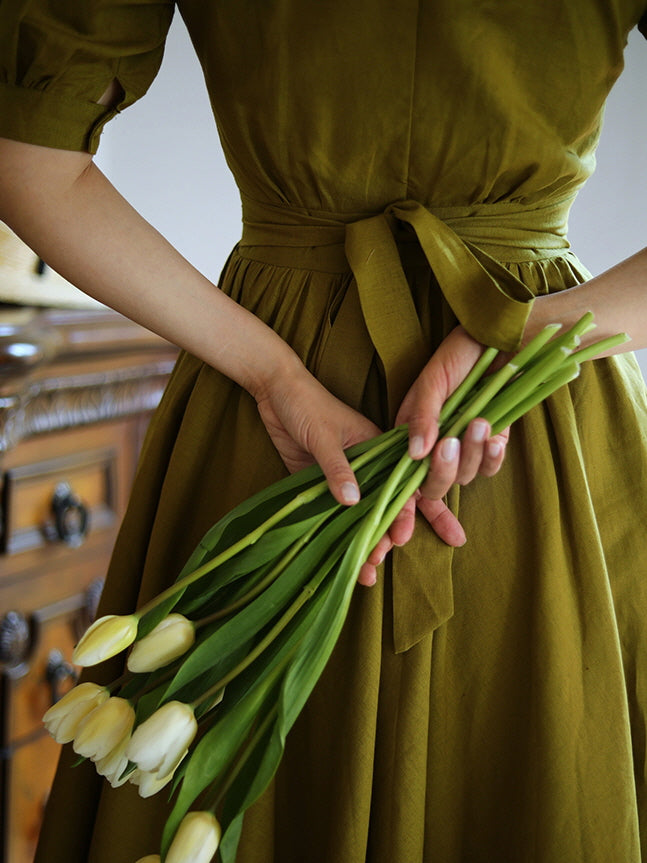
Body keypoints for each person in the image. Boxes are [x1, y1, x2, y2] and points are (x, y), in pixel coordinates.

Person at [1, 2, 647, 861]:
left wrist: (273, 374)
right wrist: (531, 335)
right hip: (536, 418)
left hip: (272, 407)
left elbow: (32, 161)